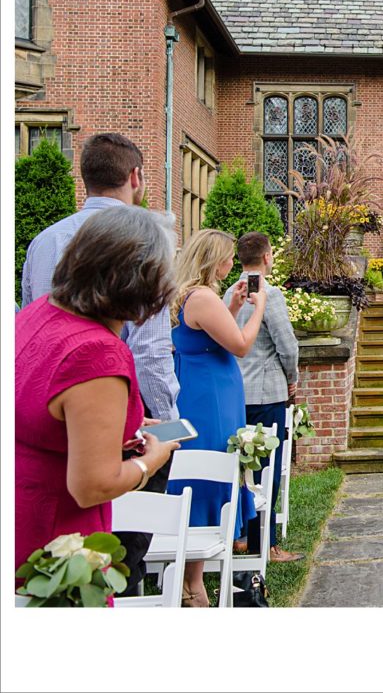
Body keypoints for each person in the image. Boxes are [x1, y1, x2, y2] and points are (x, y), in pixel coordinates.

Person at [20, 131, 180, 594]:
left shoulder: (34, 317)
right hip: (64, 547)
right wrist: (152, 457)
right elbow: (92, 484)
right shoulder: (97, 351)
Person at [168, 229, 267, 606]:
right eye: (228, 257)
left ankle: (192, 579)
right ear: (214, 258)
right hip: (209, 400)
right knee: (205, 480)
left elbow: (211, 337)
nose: (231, 263)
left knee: (207, 476)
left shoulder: (193, 296)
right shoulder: (203, 296)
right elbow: (239, 345)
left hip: (206, 391)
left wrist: (236, 308)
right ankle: (191, 585)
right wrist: (259, 307)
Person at [224, 232, 303, 563]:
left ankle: (240, 535)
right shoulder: (270, 295)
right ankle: (266, 545)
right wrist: (293, 379)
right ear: (267, 257)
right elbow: (287, 345)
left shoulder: (229, 293)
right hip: (267, 392)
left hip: (235, 392)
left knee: (240, 469)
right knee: (267, 470)